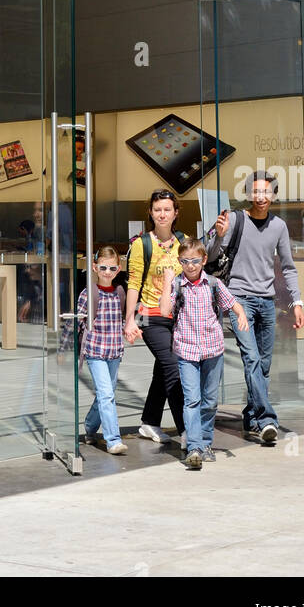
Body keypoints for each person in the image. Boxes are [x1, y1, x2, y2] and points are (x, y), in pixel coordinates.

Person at [206, 169, 304, 443]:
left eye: (266, 191)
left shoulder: (279, 226)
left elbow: (288, 267)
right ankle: (267, 420)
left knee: (263, 365)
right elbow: (210, 257)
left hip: (267, 301)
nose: (261, 196)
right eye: (256, 191)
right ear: (248, 194)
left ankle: (251, 417)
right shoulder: (235, 220)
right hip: (239, 300)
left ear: (273, 195)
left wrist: (297, 301)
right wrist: (217, 235)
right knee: (251, 358)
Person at [160, 237, 248, 470]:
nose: (190, 265)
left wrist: (241, 314)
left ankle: (206, 443)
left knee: (209, 401)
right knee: (192, 400)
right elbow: (164, 310)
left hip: (212, 349)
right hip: (186, 350)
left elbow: (232, 303)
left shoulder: (213, 284)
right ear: (179, 261)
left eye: (195, 261)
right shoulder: (177, 284)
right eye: (185, 261)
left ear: (204, 260)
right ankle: (194, 448)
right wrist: (167, 281)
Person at [124, 189, 186, 446]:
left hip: (177, 316)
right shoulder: (141, 244)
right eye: (157, 209)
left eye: (167, 209)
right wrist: (129, 320)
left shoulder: (183, 241)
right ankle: (186, 431)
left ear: (175, 213)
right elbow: (133, 284)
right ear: (150, 212)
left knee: (163, 369)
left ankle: (149, 422)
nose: (162, 214)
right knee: (173, 368)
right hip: (149, 316)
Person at [64, 244, 127, 455]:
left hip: (114, 351)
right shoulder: (88, 294)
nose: (107, 273)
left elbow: (123, 320)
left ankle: (90, 427)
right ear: (94, 268)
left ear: (118, 269)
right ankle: (113, 440)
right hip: (95, 352)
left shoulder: (119, 292)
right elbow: (74, 322)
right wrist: (64, 348)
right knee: (107, 394)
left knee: (105, 394)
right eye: (103, 268)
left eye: (112, 269)